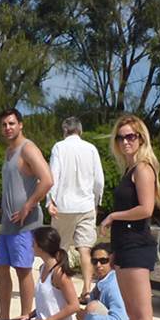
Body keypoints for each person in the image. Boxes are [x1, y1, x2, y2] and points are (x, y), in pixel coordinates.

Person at [98, 114, 160, 320]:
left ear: (141, 139)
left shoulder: (143, 169)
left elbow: (146, 209)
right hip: (124, 248)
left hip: (138, 247)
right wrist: (115, 252)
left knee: (143, 314)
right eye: (121, 137)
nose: (125, 142)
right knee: (132, 313)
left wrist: (114, 216)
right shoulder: (129, 170)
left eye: (131, 136)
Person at [0, 108, 53, 320]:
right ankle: (3, 317)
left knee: (22, 269)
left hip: (25, 224)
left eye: (11, 123)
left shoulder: (28, 149)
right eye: (4, 124)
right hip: (8, 223)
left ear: (20, 125)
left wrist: (29, 205)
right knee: (0, 267)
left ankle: (25, 316)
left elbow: (47, 179)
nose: (8, 128)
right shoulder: (9, 151)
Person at [47, 116, 105, 300]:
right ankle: (87, 289)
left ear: (65, 130)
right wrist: (96, 201)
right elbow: (99, 180)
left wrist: (50, 200)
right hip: (86, 205)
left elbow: (53, 175)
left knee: (60, 249)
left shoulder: (59, 147)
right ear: (80, 130)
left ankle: (60, 286)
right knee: (85, 249)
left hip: (63, 206)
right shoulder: (91, 149)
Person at [53, 243, 132, 320]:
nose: (98, 265)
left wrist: (87, 318)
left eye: (103, 261)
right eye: (95, 261)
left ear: (111, 260)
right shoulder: (101, 284)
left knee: (92, 307)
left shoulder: (114, 285)